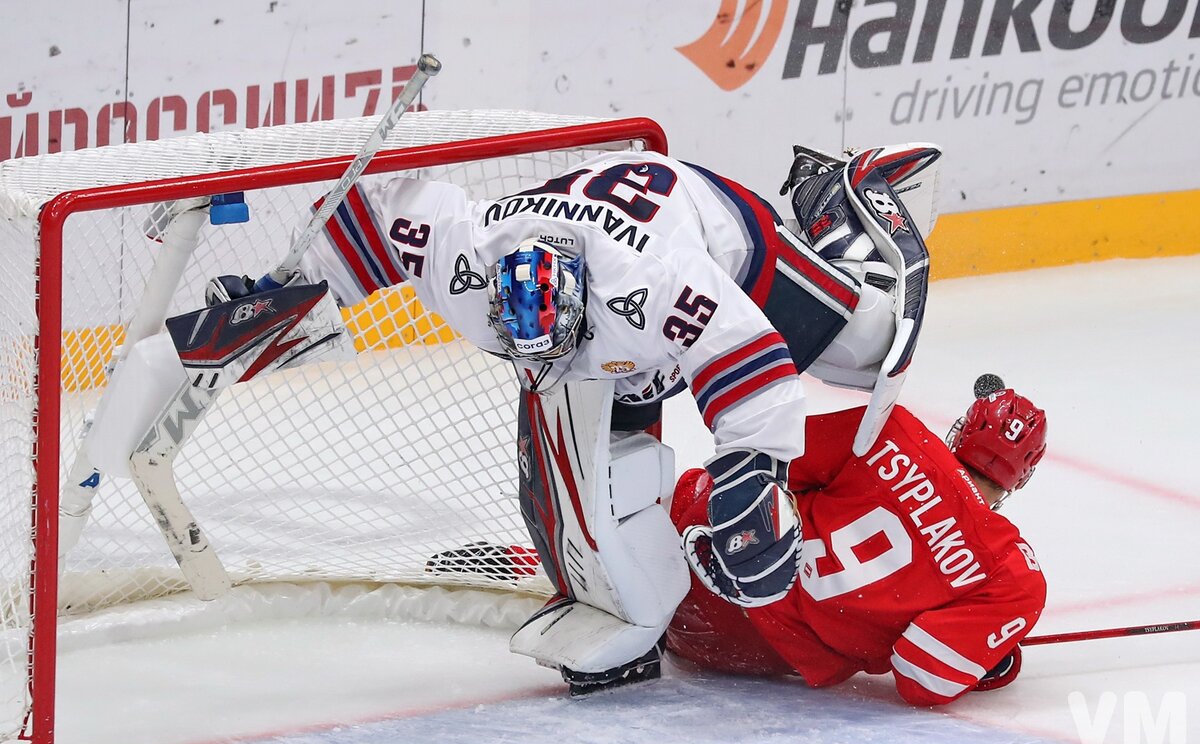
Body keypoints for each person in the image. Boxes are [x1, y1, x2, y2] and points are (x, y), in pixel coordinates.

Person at [206, 144, 939, 692]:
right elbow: (379, 211)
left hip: (718, 229)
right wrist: (285, 290)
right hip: (615, 306)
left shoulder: (654, 284)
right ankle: (619, 601)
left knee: (868, 346)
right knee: (594, 450)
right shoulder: (469, 262)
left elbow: (751, 362)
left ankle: (835, 203)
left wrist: (753, 472)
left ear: (590, 300)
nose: (544, 366)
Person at [668, 375, 1048, 705]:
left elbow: (756, 470)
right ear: (1022, 475)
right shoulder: (1011, 573)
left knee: (694, 486)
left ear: (963, 430)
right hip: (746, 650)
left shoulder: (896, 429)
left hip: (701, 557)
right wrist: (982, 657)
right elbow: (922, 678)